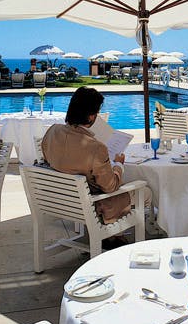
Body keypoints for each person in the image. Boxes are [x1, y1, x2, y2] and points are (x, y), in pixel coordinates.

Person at [41, 87, 144, 225]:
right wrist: (119, 165)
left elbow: (48, 161)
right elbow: (110, 187)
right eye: (97, 113)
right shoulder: (95, 148)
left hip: (61, 199)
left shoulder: (52, 131)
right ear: (90, 116)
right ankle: (113, 234)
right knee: (146, 191)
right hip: (90, 204)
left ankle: (113, 236)